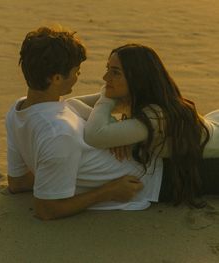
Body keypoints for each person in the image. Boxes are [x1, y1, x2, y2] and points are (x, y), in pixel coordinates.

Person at [6, 27, 164, 220]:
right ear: (56, 78)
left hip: (153, 153)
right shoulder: (58, 132)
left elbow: (17, 182)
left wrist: (116, 133)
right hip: (159, 178)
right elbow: (46, 210)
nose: (77, 77)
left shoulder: (18, 110)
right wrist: (108, 192)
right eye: (76, 72)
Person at [84, 44, 219, 207]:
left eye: (115, 73)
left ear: (137, 79)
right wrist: (114, 122)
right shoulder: (133, 96)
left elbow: (94, 136)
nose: (105, 78)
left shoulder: (156, 115)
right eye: (108, 69)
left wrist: (105, 100)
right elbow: (71, 104)